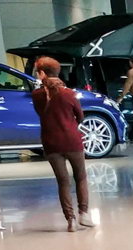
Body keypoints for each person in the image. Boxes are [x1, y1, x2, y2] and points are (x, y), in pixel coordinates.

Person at [31, 56, 92, 232]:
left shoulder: (36, 96)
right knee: (80, 177)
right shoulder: (69, 94)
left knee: (63, 182)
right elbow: (80, 116)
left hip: (51, 143)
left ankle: (70, 220)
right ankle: (84, 214)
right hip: (72, 140)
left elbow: (41, 114)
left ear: (42, 74)